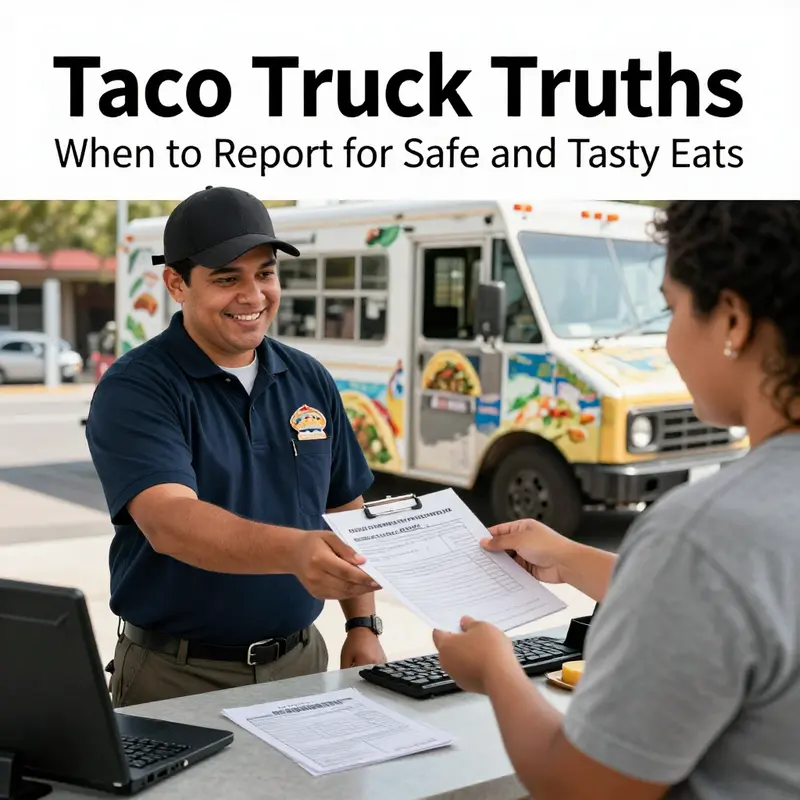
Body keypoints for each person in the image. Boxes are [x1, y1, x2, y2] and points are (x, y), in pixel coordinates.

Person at [433, 201, 800, 799]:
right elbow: (752, 601)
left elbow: (584, 786)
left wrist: (496, 670)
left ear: (732, 320)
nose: (670, 342)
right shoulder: (716, 542)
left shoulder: (704, 531)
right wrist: (573, 560)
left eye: (671, 308)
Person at [86, 186, 387, 708]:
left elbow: (344, 508)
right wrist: (294, 552)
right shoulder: (137, 386)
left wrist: (363, 624)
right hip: (177, 675)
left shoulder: (307, 377)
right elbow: (170, 522)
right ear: (177, 284)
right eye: (228, 278)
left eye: (264, 273)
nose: (253, 296)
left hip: (302, 662)